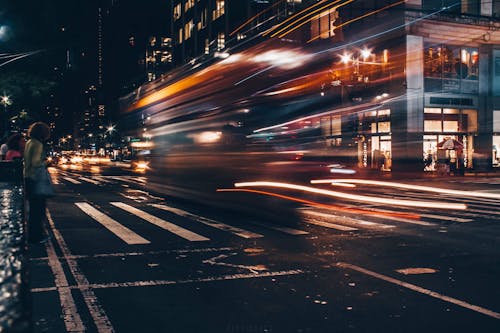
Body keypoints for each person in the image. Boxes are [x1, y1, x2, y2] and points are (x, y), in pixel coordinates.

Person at [24, 122, 51, 244]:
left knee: (33, 209)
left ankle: (32, 235)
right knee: (38, 209)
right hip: (36, 179)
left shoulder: (29, 142)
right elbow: (36, 163)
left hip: (27, 178)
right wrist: (47, 163)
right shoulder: (38, 144)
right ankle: (36, 236)